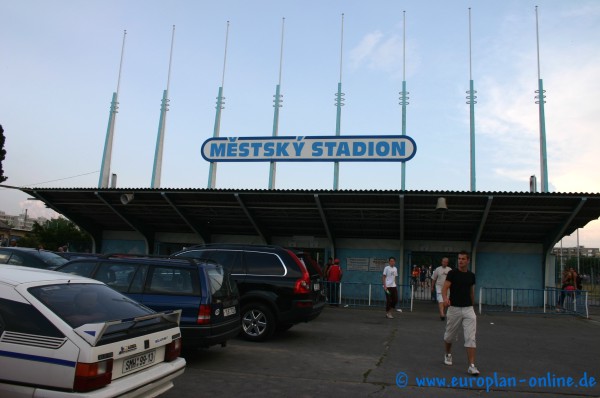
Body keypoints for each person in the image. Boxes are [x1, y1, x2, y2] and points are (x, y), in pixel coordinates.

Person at [442, 250, 479, 376]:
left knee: (470, 337)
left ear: (468, 261)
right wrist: (445, 298)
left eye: (463, 259)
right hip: (454, 309)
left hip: (468, 309)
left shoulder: (471, 276)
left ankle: (472, 366)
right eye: (459, 258)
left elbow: (471, 292)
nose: (460, 261)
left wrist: (473, 306)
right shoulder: (452, 273)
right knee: (449, 336)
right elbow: (445, 287)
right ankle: (448, 354)